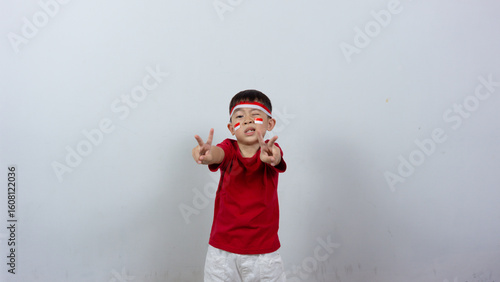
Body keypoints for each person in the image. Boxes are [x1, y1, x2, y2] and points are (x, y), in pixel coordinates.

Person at [192, 89, 287, 281]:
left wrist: (272, 157)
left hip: (263, 254)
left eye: (255, 115)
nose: (247, 120)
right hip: (221, 252)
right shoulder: (228, 148)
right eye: (240, 116)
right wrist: (205, 154)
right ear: (231, 127)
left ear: (271, 124)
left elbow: (275, 158)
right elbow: (216, 154)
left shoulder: (270, 149)